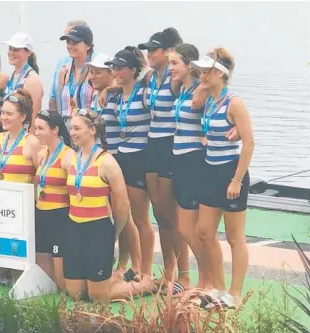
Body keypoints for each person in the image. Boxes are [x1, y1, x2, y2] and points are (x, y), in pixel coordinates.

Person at [192, 49, 254, 309]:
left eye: (207, 71)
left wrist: (236, 180)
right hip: (210, 170)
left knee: (234, 236)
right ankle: (217, 288)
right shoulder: (208, 98)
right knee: (204, 232)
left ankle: (234, 295)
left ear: (221, 74)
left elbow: (249, 143)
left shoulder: (234, 102)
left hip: (231, 173)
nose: (201, 75)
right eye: (201, 71)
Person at [137, 28, 191, 293]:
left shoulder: (175, 77)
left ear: (168, 52)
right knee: (159, 214)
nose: (148, 54)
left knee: (171, 215)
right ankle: (168, 272)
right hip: (152, 144)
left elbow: (200, 81)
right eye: (147, 50)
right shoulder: (151, 77)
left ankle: (184, 275)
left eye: (153, 50)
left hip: (170, 143)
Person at [103, 48, 157, 298]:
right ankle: (124, 265)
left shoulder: (144, 93)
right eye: (113, 67)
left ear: (133, 70)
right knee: (122, 216)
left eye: (120, 67)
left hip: (140, 157)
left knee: (140, 217)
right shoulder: (116, 96)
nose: (115, 71)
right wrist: (108, 89)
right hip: (121, 156)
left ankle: (144, 270)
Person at [61, 109, 130, 303]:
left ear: (92, 130)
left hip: (97, 228)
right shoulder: (70, 159)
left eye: (77, 128)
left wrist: (114, 233)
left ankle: (143, 286)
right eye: (71, 128)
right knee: (75, 293)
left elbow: (123, 205)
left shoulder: (107, 162)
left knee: (97, 296)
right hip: (74, 227)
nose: (72, 133)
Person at [168, 43, 215, 291]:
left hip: (193, 159)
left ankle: (207, 280)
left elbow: (221, 90)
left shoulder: (200, 89)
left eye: (175, 63)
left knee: (191, 227)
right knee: (185, 227)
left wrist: (204, 87)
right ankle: (204, 279)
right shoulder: (184, 89)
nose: (171, 68)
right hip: (180, 159)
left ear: (189, 65)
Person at [0, 89, 41, 282]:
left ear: (23, 116)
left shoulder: (32, 142)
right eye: (3, 112)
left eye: (9, 114)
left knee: (18, 257)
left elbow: (41, 175)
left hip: (21, 210)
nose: (4, 117)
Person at [33, 109, 74, 289]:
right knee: (45, 281)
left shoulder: (68, 155)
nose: (36, 133)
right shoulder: (42, 154)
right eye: (35, 128)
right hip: (42, 214)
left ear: (55, 130)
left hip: (60, 217)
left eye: (41, 129)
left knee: (62, 282)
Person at [53, 25, 95, 132]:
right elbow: (58, 105)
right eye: (68, 42)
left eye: (75, 43)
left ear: (88, 46)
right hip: (67, 130)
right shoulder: (64, 71)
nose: (70, 46)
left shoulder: (94, 71)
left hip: (87, 130)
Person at [3, 32, 44, 130]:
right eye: (10, 48)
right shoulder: (13, 76)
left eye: (16, 50)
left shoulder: (32, 79)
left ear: (28, 52)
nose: (11, 53)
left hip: (23, 135)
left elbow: (35, 114)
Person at [49, 20, 88, 112]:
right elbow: (53, 97)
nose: (70, 45)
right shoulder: (62, 63)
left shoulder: (96, 63)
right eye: (68, 41)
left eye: (74, 41)